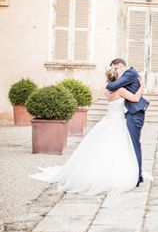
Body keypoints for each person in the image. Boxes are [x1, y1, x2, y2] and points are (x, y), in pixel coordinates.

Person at [30, 67, 145, 195]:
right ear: (118, 79)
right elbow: (135, 98)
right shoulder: (121, 90)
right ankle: (112, 175)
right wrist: (141, 86)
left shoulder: (108, 91)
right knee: (116, 149)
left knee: (102, 150)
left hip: (108, 120)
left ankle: (99, 173)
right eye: (121, 74)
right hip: (117, 122)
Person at [105, 58, 150, 187]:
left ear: (119, 66)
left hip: (135, 114)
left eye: (115, 68)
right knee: (129, 145)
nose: (115, 71)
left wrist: (109, 83)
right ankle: (134, 174)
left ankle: (137, 176)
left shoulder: (129, 73)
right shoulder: (126, 78)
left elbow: (112, 86)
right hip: (129, 114)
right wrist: (141, 86)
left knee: (134, 144)